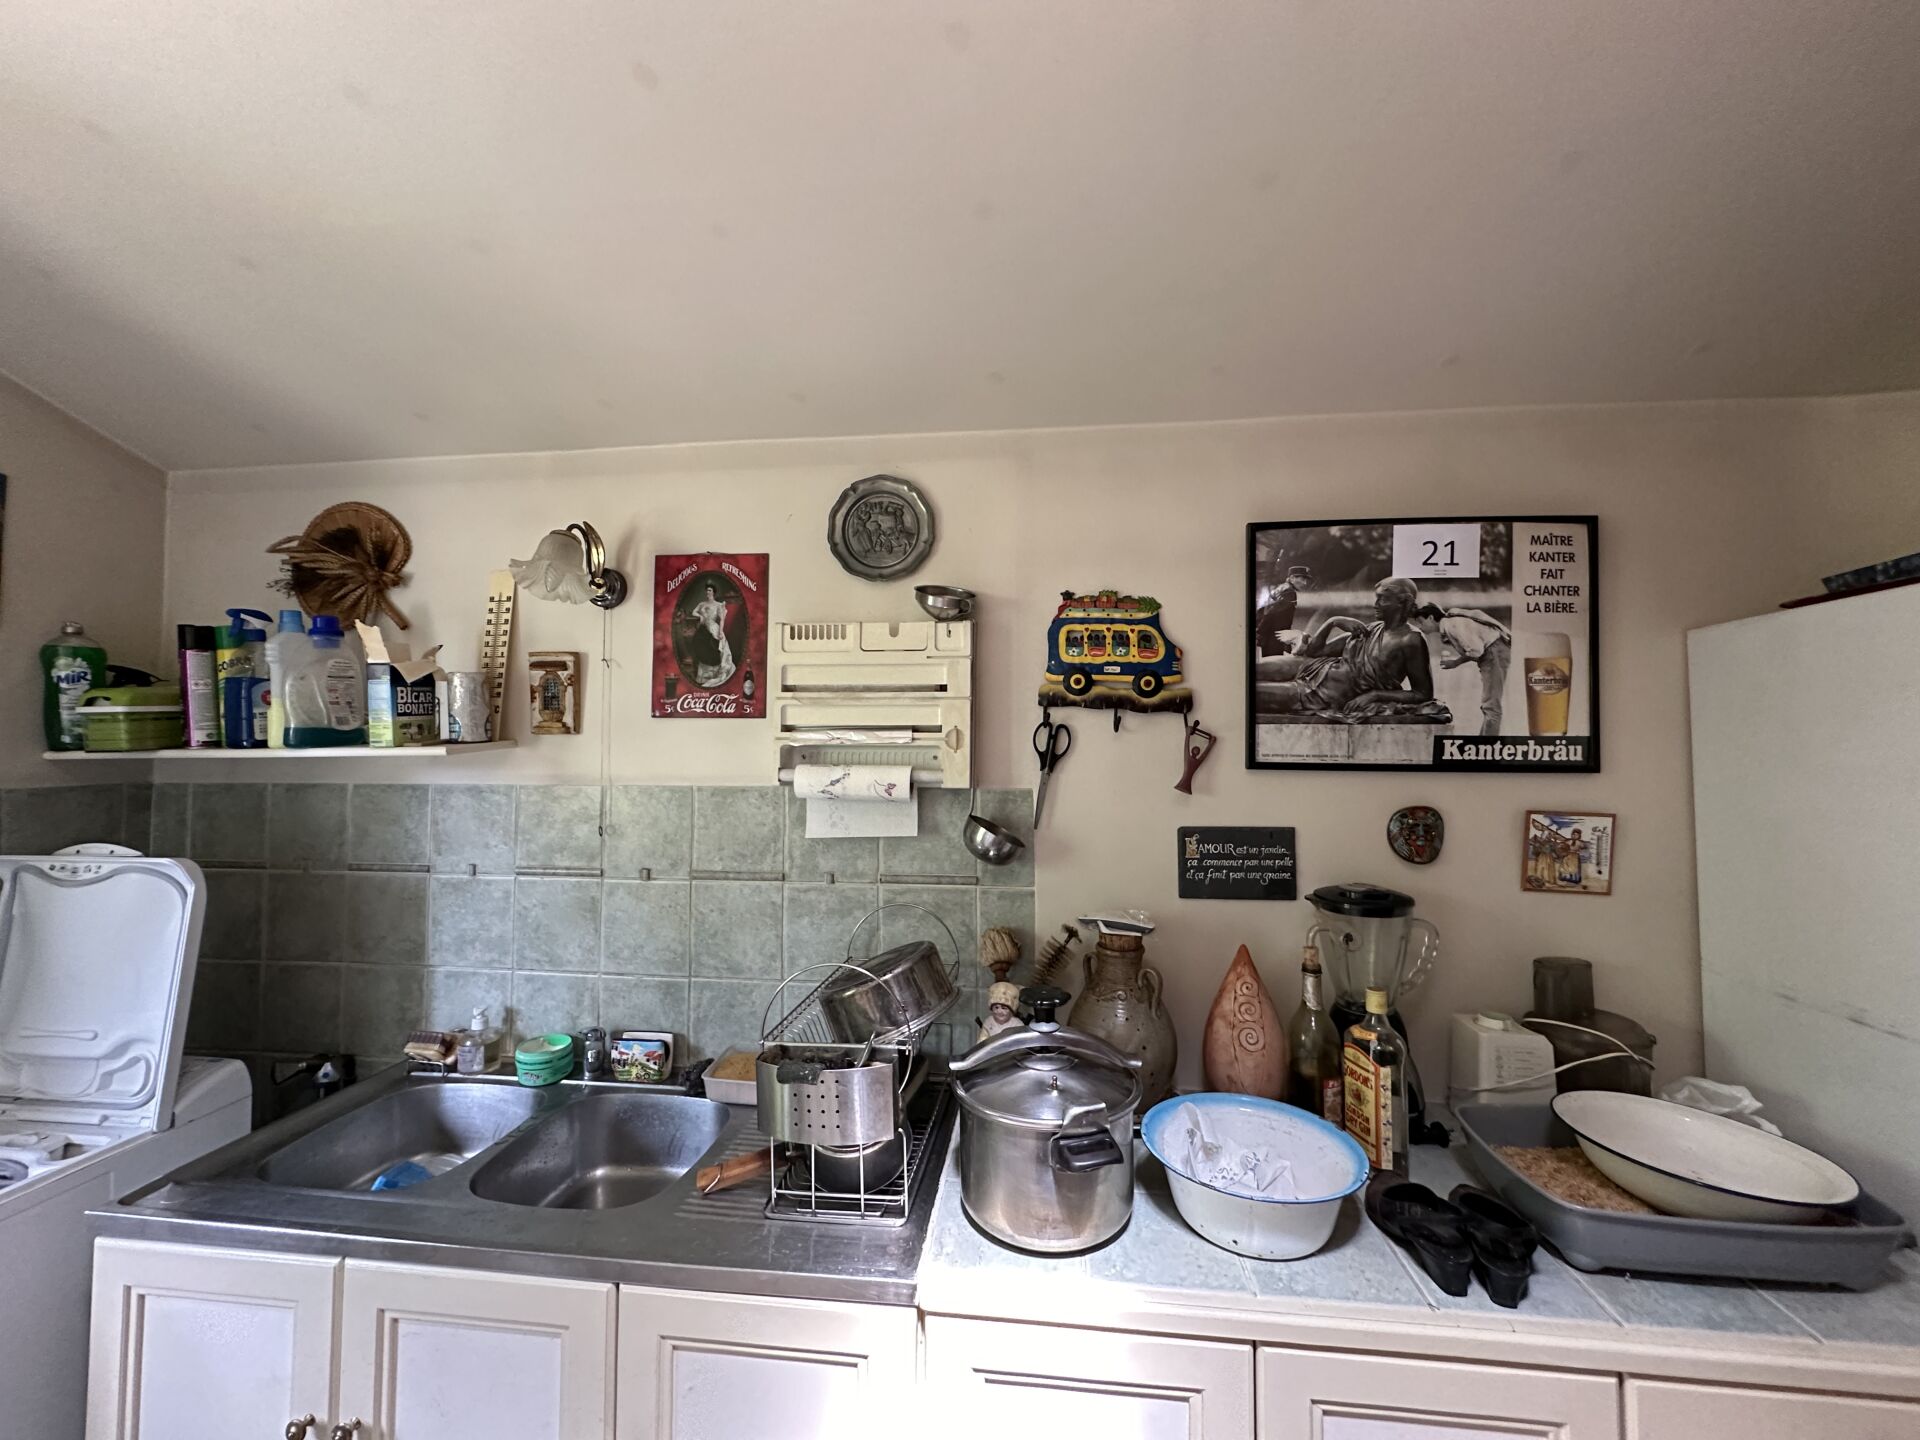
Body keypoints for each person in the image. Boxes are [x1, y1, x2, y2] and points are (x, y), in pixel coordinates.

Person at [1252, 577, 1435, 716]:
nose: (1376, 605)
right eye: (1376, 598)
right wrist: (1333, 622)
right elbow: (1315, 652)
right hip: (1313, 667)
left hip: (1322, 694)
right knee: (1249, 671)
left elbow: (1423, 694)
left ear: (1403, 602)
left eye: (1383, 599)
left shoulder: (1411, 639)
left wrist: (1374, 695)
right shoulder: (1373, 628)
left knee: (1250, 691)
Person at [1413, 603, 1512, 737]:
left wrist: (1455, 662)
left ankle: (1488, 744)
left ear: (1431, 618)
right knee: (1489, 704)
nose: (1420, 626)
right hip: (1493, 652)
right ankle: (1484, 741)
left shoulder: (1451, 625)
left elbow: (1476, 651)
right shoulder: (1450, 623)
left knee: (1491, 705)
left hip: (1494, 652)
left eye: (1420, 622)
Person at [1254, 565, 1313, 656]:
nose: (1305, 583)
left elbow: (1265, 609)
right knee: (1277, 662)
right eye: (1302, 579)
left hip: (1270, 636)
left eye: (1306, 580)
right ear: (1292, 578)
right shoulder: (1289, 592)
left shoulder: (1281, 588)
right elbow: (1271, 613)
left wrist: (1261, 631)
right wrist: (1260, 632)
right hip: (1277, 638)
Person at [690, 582, 735, 688]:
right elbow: (693, 612)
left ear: (713, 592)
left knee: (714, 647)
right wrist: (700, 616)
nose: (708, 592)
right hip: (703, 629)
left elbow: (722, 620)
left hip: (713, 628)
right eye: (707, 590)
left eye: (710, 590)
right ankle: (703, 675)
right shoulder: (702, 604)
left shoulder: (718, 605)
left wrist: (720, 632)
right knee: (699, 645)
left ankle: (714, 673)